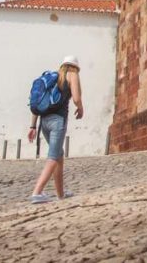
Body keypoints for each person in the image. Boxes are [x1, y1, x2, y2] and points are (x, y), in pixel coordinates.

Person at [28, 55, 83, 204]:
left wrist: (32, 126)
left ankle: (60, 194)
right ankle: (37, 192)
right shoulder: (72, 74)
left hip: (43, 122)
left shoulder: (53, 77)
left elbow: (36, 103)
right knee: (53, 157)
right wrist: (80, 107)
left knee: (59, 156)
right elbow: (76, 98)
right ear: (75, 67)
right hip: (58, 121)